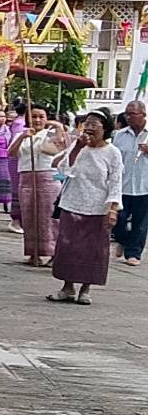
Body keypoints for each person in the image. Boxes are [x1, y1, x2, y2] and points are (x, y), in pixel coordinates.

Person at [47, 111, 124, 305]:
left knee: (93, 250)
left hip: (98, 207)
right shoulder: (78, 145)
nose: (89, 127)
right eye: (87, 123)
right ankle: (67, 287)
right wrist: (76, 148)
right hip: (72, 203)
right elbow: (64, 170)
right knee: (67, 247)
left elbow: (115, 181)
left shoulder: (112, 152)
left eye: (95, 124)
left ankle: (85, 289)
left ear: (105, 128)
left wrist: (113, 209)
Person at [9, 105, 67, 266]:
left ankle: (55, 252)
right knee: (29, 216)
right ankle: (34, 252)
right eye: (34, 116)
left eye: (41, 116)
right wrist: (22, 138)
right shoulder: (22, 134)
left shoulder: (51, 134)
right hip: (26, 177)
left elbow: (59, 149)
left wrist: (59, 128)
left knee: (49, 217)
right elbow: (11, 153)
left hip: (48, 177)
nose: (37, 120)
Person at [112, 101, 148, 266]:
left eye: (132, 114)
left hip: (144, 186)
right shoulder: (119, 135)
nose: (128, 117)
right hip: (122, 185)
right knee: (118, 219)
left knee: (140, 223)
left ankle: (134, 254)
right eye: (126, 114)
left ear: (143, 114)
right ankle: (123, 240)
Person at [7, 101, 28, 233]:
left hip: (26, 162)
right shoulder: (21, 125)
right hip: (18, 160)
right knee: (18, 190)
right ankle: (16, 220)